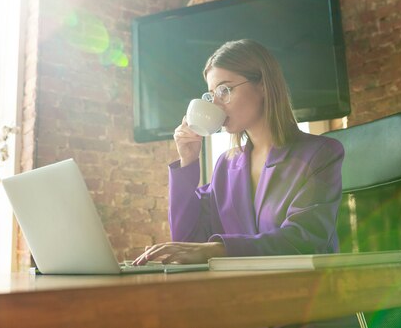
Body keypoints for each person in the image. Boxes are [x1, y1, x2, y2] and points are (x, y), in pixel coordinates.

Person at [133, 39, 345, 266]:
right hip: (240, 291)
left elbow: (304, 240)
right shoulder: (227, 164)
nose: (216, 104)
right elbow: (187, 239)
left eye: (224, 90)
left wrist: (218, 249)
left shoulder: (320, 154)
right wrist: (188, 160)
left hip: (301, 292)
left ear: (263, 85)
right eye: (211, 95)